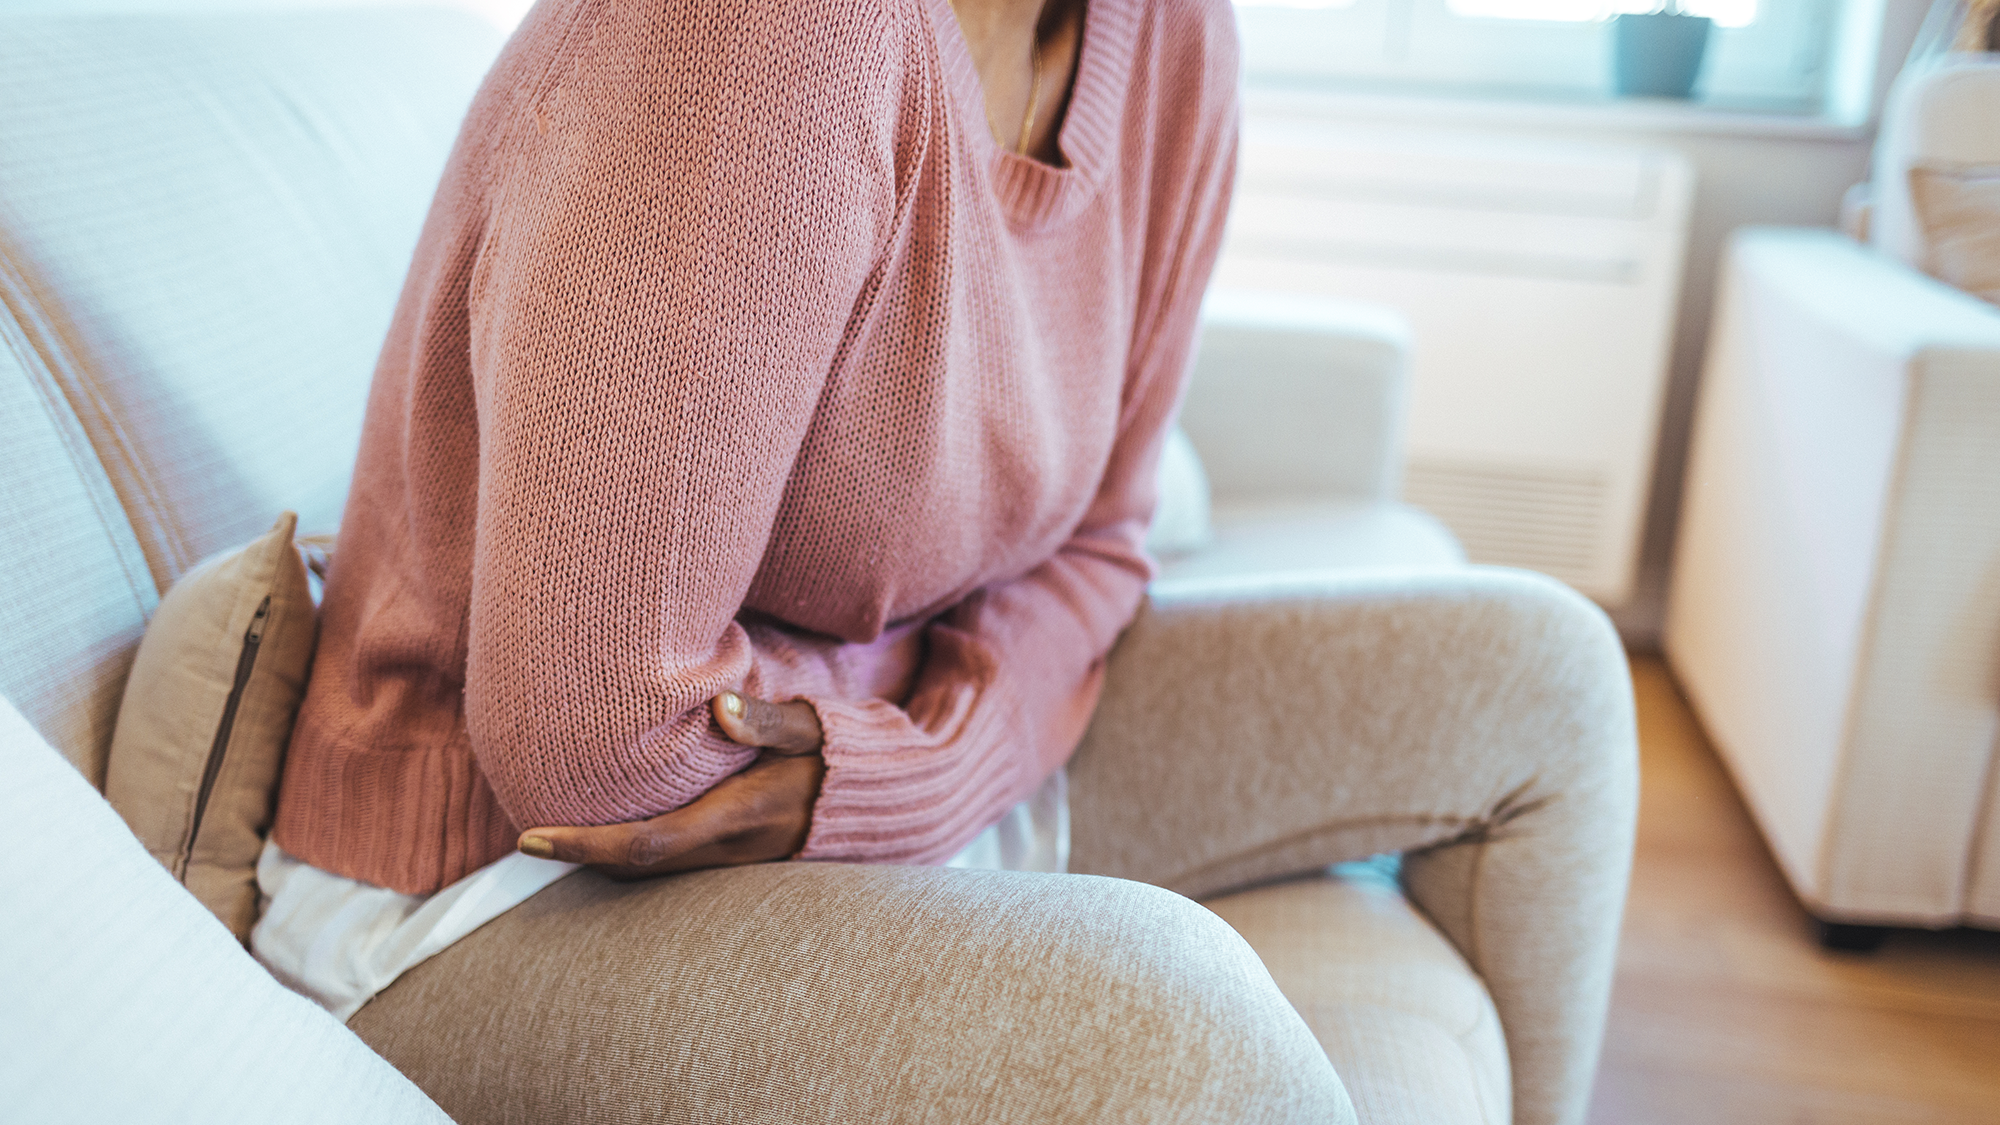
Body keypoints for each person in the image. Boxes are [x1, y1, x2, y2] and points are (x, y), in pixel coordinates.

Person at [252, 0, 1245, 1020]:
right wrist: (923, 717)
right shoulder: (762, 30)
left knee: (1416, 685)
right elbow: (596, 736)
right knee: (1192, 1043)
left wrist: (928, 759)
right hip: (498, 884)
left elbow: (1101, 541)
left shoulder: (1175, 34)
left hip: (848, 790)